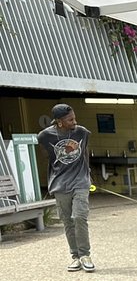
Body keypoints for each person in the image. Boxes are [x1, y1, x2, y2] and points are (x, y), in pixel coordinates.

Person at [37, 103, 94, 272]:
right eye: (70, 120)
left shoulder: (81, 132)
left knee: (79, 216)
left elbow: (84, 152)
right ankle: (75, 256)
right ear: (59, 122)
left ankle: (85, 254)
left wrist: (87, 173)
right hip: (60, 183)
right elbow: (46, 155)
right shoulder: (45, 136)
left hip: (80, 181)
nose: (74, 122)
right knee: (68, 221)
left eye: (74, 118)